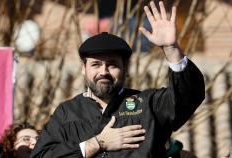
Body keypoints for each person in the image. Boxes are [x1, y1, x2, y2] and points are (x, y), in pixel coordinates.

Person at [31, 1, 205, 158]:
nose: (104, 71)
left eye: (112, 64)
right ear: (83, 69)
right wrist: (97, 143)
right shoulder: (67, 113)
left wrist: (171, 49)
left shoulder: (149, 105)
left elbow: (188, 96)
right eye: (96, 64)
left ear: (125, 69)